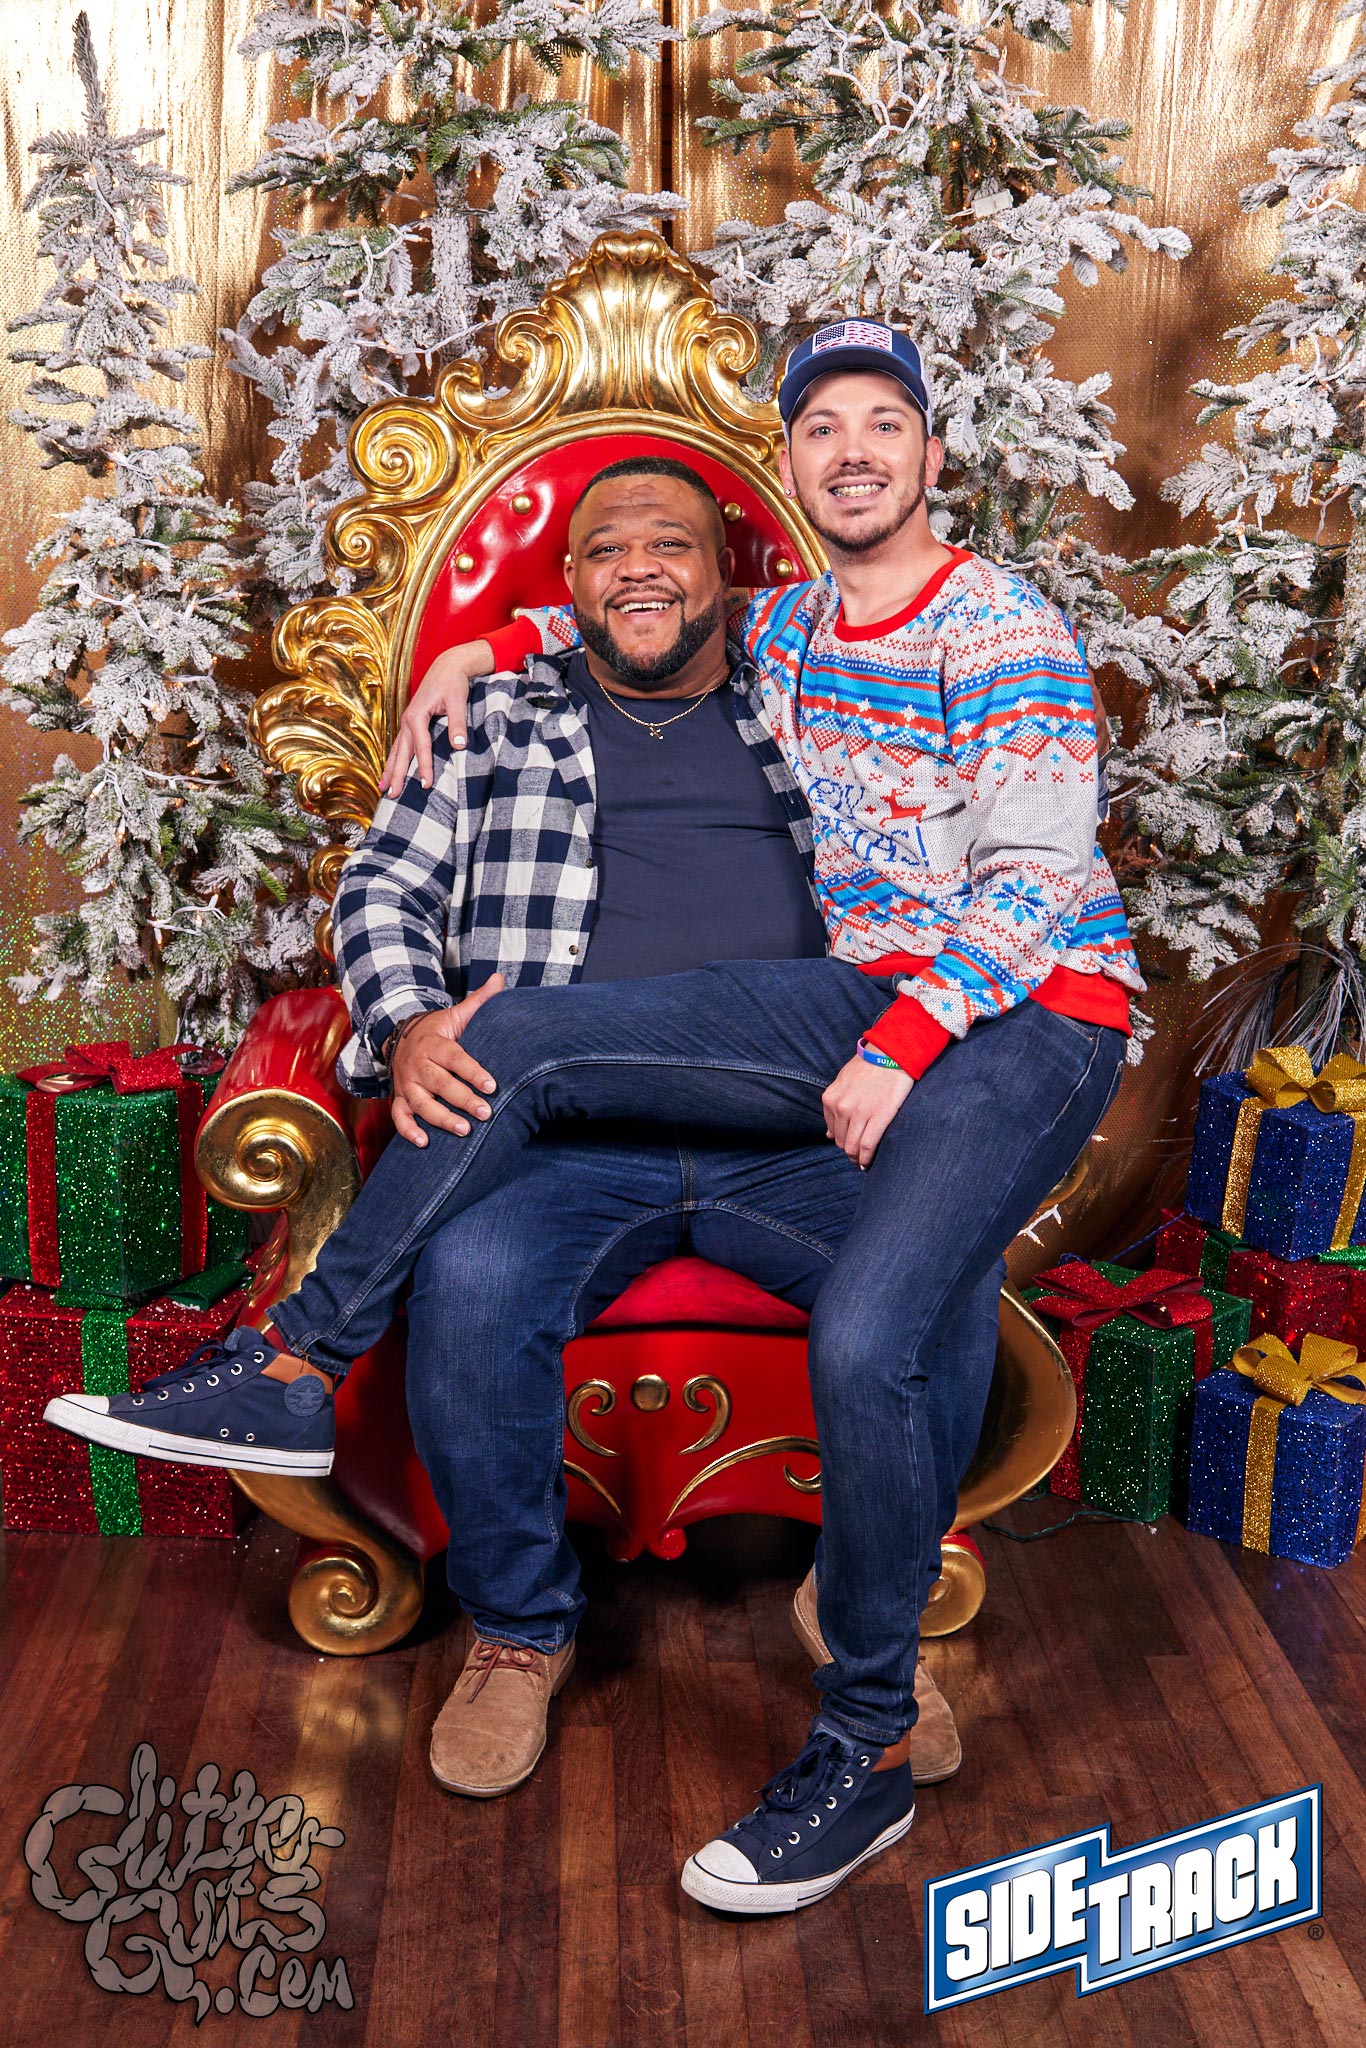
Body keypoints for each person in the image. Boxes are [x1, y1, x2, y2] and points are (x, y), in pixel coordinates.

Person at [47, 322, 1139, 1915]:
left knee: (915, 1302)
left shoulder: (840, 656)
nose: (641, 571)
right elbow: (384, 885)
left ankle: (863, 1650)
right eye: (605, 551)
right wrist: (410, 1001)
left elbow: (1031, 879)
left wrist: (904, 1044)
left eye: (672, 547)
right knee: (481, 1260)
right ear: (570, 580)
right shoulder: (554, 694)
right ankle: (513, 1625)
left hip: (837, 1086)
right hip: (579, 1126)